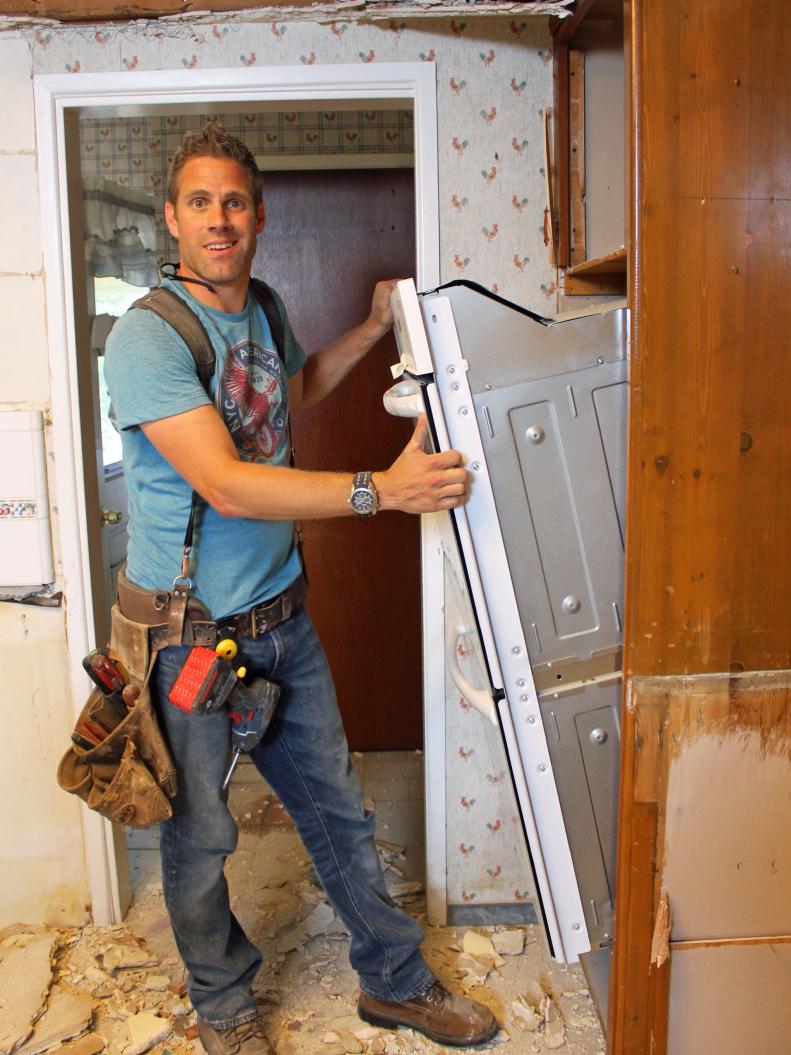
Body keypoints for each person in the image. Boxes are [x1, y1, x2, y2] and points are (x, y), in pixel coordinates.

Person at [105, 123, 499, 1055]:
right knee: (201, 839)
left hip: (281, 618)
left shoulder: (264, 306)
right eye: (199, 202)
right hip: (185, 636)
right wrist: (381, 491)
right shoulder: (148, 336)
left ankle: (394, 982)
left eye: (234, 202)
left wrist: (366, 332)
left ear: (258, 216)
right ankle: (224, 1003)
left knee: (340, 813)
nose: (218, 219)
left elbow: (287, 394)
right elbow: (228, 482)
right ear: (171, 216)